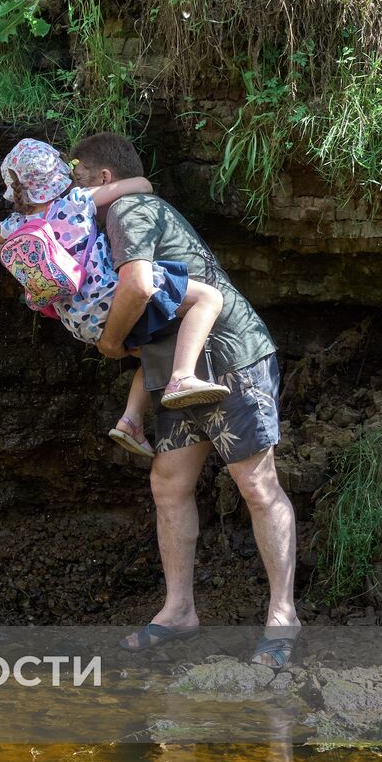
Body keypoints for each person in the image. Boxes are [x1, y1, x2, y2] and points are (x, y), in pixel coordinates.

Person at [69, 132, 299, 666]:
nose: (72, 194)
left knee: (256, 484)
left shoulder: (127, 208)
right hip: (173, 367)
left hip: (229, 355)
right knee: (168, 484)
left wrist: (107, 342)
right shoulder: (106, 213)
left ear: (103, 179)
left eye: (79, 181)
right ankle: (179, 612)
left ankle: (283, 617)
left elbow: (138, 286)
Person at [0, 138, 229, 458]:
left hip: (82, 323)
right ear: (57, 177)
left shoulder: (14, 226)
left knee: (155, 346)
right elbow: (141, 185)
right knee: (209, 299)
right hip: (112, 297)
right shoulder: (75, 202)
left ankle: (130, 421)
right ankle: (184, 377)